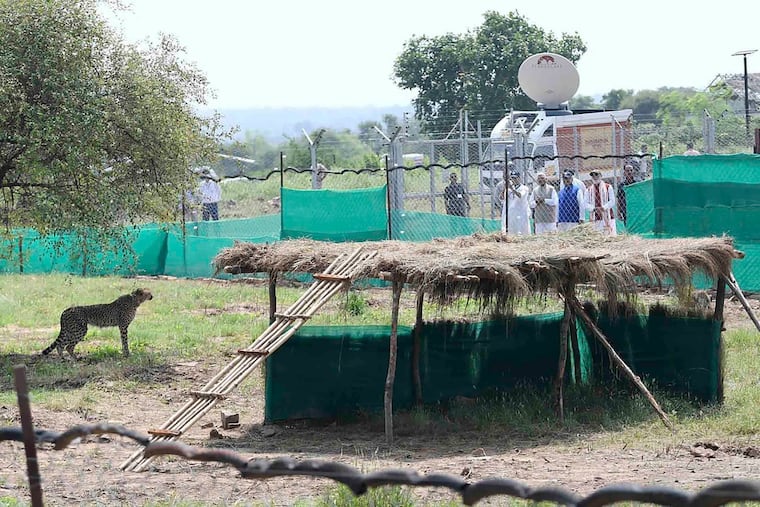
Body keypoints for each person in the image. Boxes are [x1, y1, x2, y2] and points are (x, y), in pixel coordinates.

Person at [586, 170, 617, 235]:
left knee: (610, 236)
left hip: (608, 216)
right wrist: (594, 209)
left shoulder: (608, 187)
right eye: (593, 175)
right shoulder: (588, 190)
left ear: (601, 176)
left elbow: (612, 201)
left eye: (596, 175)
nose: (595, 177)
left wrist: (603, 208)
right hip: (595, 218)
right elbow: (585, 203)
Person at [501, 169, 531, 235]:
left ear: (519, 178)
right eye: (512, 178)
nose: (514, 180)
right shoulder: (508, 189)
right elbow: (501, 197)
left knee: (522, 231)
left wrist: (512, 188)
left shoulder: (524, 188)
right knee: (511, 231)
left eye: (515, 178)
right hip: (511, 213)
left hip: (521, 213)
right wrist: (504, 188)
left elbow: (520, 195)